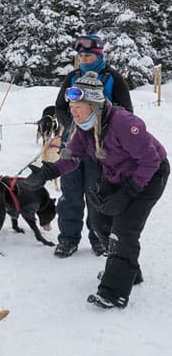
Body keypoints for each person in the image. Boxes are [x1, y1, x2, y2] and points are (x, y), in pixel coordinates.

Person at [25, 72, 169, 309]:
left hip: (150, 175)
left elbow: (150, 161)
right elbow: (72, 157)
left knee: (123, 230)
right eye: (71, 106)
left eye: (78, 106)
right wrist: (47, 172)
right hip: (117, 174)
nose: (73, 111)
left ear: (94, 105)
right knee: (100, 219)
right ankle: (128, 273)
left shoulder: (124, 123)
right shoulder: (84, 127)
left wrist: (127, 193)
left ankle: (114, 292)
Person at [53, 34, 133, 258]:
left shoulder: (113, 79)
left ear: (99, 55)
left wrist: (101, 128)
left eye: (88, 55)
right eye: (80, 55)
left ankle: (98, 237)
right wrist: (74, 124)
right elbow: (59, 107)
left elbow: (126, 111)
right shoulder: (72, 76)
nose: (83, 59)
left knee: (96, 193)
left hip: (101, 149)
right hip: (72, 145)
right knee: (70, 194)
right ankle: (68, 238)